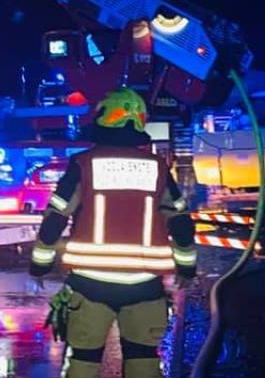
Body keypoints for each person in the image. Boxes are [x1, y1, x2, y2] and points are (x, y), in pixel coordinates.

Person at [29, 88, 197, 377]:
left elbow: (55, 219)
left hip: (89, 284)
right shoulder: (157, 168)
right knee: (143, 359)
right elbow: (181, 223)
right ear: (140, 121)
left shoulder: (83, 164)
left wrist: (39, 266)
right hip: (145, 284)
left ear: (103, 118)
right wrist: (187, 268)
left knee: (83, 359)